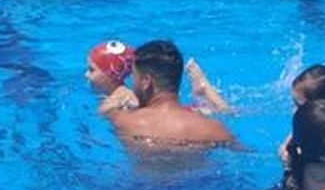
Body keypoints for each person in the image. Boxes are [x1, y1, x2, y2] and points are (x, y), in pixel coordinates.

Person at [105, 40, 236, 147]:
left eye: (134, 77)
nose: (132, 84)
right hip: (200, 179)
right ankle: (205, 90)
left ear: (146, 81)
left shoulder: (124, 121)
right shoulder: (215, 130)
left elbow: (105, 109)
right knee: (222, 111)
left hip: (139, 180)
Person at [88, 39, 230, 115]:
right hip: (169, 115)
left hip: (168, 119)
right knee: (222, 112)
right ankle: (203, 89)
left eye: (91, 70)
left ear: (110, 73)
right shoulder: (126, 92)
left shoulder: (123, 95)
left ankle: (204, 89)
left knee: (224, 113)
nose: (87, 75)